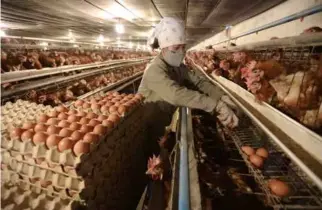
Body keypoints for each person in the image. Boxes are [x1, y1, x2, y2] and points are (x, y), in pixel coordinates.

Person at [138, 17, 239, 153]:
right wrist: (214, 105)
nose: (181, 52)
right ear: (163, 49)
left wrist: (221, 96)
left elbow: (198, 81)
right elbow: (175, 94)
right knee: (155, 158)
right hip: (152, 122)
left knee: (166, 152)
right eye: (176, 48)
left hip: (167, 117)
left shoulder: (178, 66)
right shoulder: (154, 70)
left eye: (183, 47)